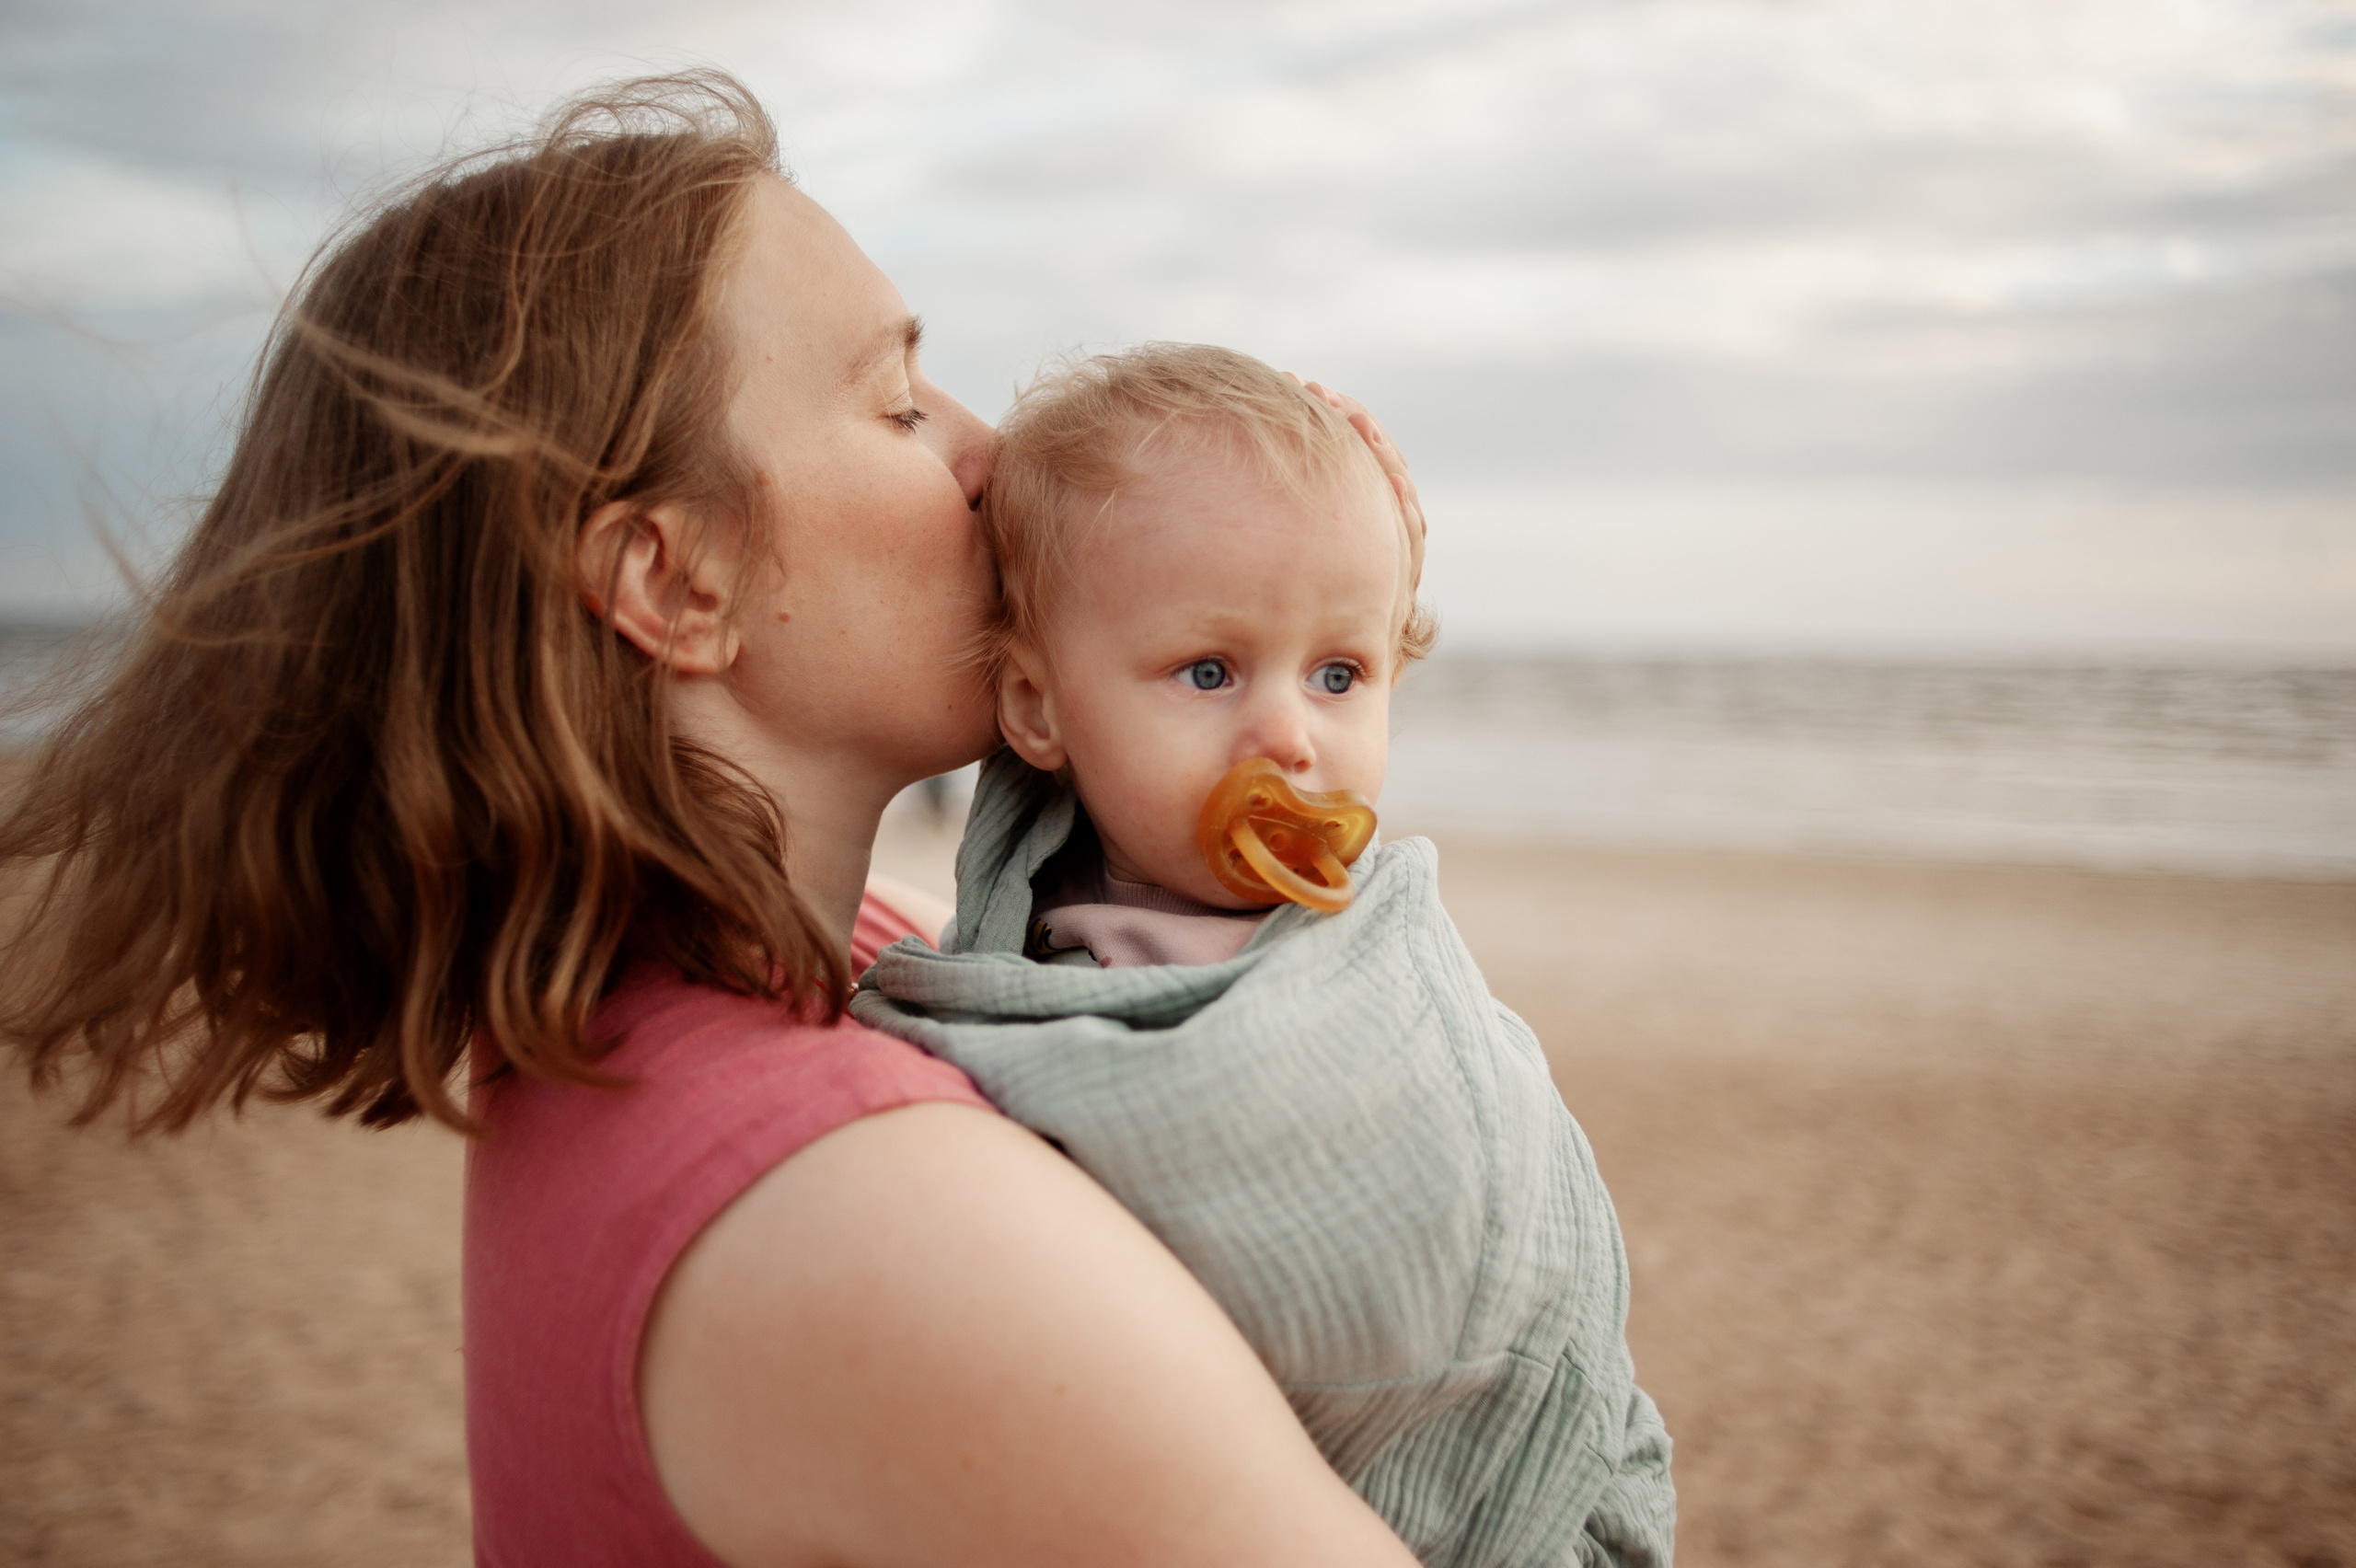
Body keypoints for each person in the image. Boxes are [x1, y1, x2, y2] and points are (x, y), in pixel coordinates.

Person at [0, 74, 1434, 1566]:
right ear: (674, 585)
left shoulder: (744, 1003)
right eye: (897, 403)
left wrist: (1309, 571)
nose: (990, 452)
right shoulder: (855, 1210)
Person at [852, 344, 1675, 1565]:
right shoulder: (1029, 960)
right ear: (1035, 707)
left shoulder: (1355, 946)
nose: (1289, 734)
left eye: (1341, 673)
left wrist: (1363, 538)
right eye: (1209, 669)